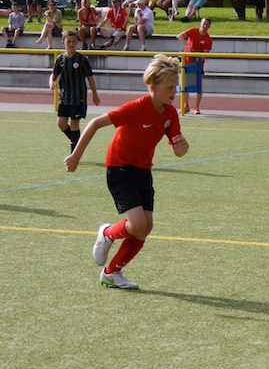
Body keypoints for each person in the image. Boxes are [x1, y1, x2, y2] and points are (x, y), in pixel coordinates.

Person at [64, 54, 190, 290]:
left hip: (143, 171)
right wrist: (76, 157)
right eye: (170, 87)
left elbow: (177, 150)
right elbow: (95, 123)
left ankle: (111, 273)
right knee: (137, 223)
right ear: (153, 87)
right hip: (120, 168)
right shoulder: (136, 108)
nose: (175, 92)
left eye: (176, 87)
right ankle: (108, 233)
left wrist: (182, 148)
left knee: (146, 228)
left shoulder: (170, 114)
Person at [49, 29, 99, 152]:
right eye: (68, 41)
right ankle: (78, 142)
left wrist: (95, 94)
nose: (71, 44)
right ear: (63, 43)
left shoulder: (82, 59)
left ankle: (74, 153)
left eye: (73, 41)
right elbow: (54, 74)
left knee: (74, 123)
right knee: (61, 124)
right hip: (64, 97)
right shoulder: (60, 59)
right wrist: (51, 82)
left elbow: (90, 77)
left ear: (77, 43)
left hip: (78, 97)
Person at [177, 17, 213, 115]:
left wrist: (196, 57)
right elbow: (180, 36)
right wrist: (188, 46)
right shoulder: (193, 31)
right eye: (203, 24)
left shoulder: (208, 39)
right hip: (186, 62)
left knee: (198, 86)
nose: (205, 26)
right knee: (184, 84)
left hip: (198, 64)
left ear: (209, 26)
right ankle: (186, 105)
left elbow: (205, 55)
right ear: (200, 24)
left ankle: (197, 106)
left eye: (207, 25)